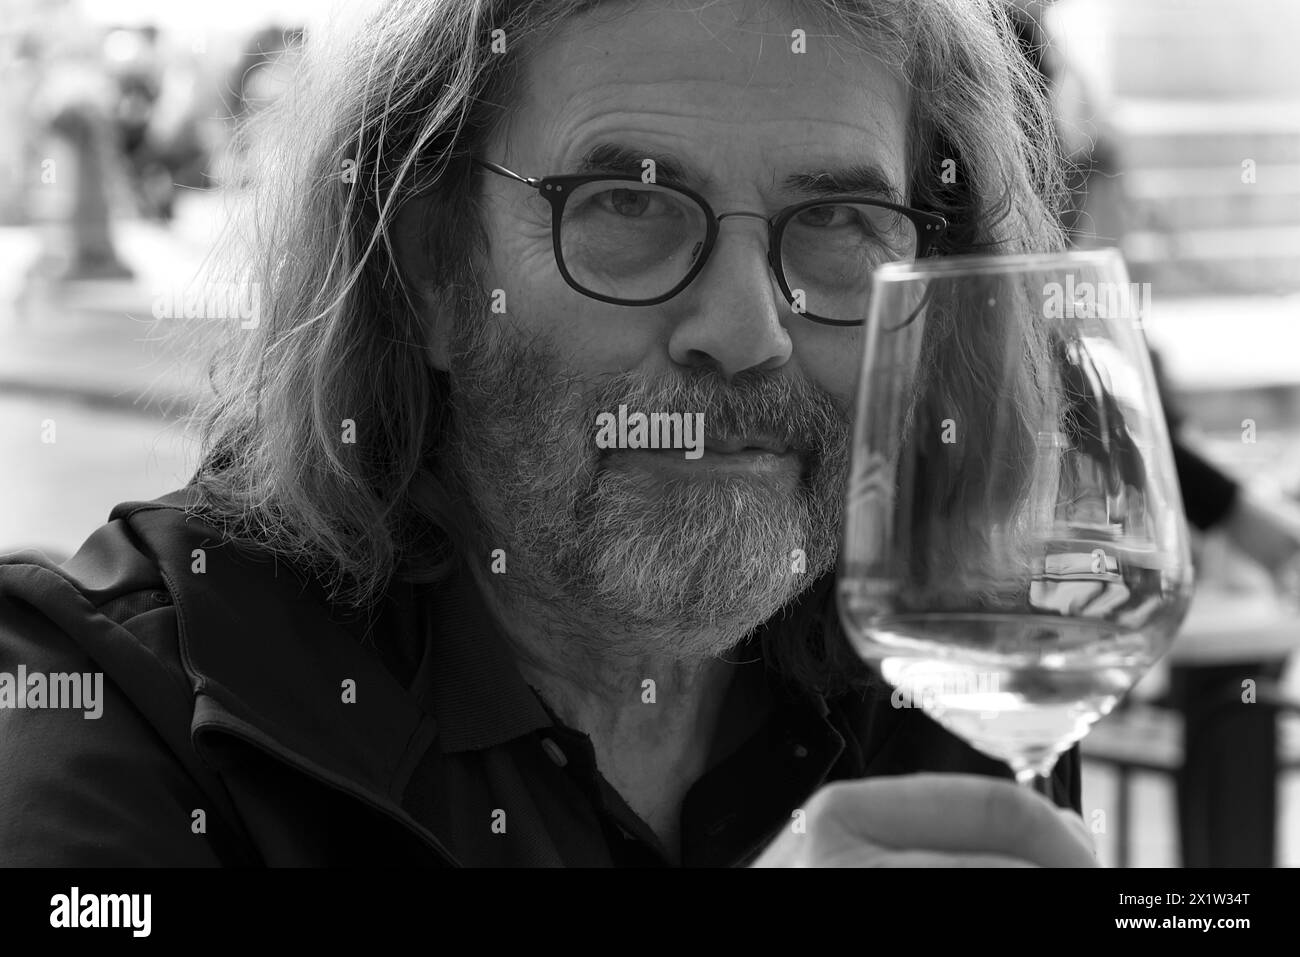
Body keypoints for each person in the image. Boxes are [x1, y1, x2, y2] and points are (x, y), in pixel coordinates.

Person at [0, 0, 1097, 867]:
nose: (745, 329)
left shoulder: (945, 679)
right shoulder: (120, 709)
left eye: (839, 223)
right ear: (433, 270)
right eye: (626, 203)